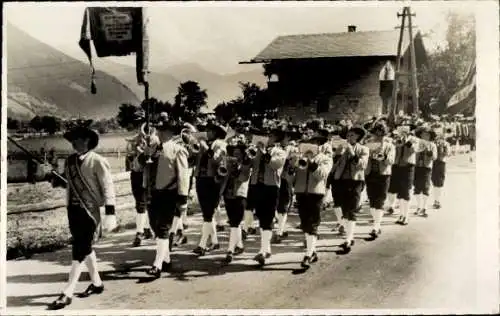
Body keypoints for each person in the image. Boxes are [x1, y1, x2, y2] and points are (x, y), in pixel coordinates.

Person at [48, 125, 116, 310]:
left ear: (87, 140)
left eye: (77, 139)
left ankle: (68, 292)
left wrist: (110, 212)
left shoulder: (97, 161)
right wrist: (53, 176)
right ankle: (97, 283)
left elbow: (108, 186)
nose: (73, 143)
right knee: (85, 248)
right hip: (73, 211)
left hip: (90, 212)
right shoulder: (69, 161)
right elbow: (66, 183)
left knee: (79, 249)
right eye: (72, 140)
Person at [142, 117, 195, 278]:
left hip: (168, 193)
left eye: (163, 130)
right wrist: (143, 155)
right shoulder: (152, 148)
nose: (159, 132)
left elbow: (183, 176)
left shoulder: (177, 150)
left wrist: (183, 198)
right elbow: (140, 167)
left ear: (170, 133)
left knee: (163, 227)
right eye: (159, 130)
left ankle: (157, 265)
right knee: (154, 226)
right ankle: (166, 259)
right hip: (152, 193)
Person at [292, 133, 332, 268]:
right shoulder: (300, 158)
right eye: (310, 143)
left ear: (319, 146)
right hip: (301, 192)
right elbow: (292, 178)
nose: (312, 146)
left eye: (315, 143)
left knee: (312, 223)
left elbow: (322, 175)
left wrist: (312, 162)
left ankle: (308, 254)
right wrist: (292, 166)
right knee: (304, 223)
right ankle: (312, 251)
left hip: (316, 193)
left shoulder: (326, 159)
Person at [250, 127, 287, 266]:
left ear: (276, 139)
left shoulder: (280, 152)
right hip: (256, 185)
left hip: (271, 187)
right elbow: (250, 164)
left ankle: (263, 250)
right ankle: (266, 248)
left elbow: (275, 165)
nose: (267, 138)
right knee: (260, 216)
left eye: (270, 136)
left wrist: (263, 152)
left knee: (268, 216)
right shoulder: (258, 150)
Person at [192, 121, 228, 256]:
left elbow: (217, 159)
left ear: (216, 132)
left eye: (209, 130)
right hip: (201, 178)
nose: (207, 132)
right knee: (207, 213)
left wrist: (205, 147)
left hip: (213, 181)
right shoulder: (204, 144)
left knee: (208, 212)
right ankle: (215, 242)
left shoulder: (220, 144)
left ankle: (202, 244)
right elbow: (193, 161)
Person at [332, 126, 369, 252]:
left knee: (351, 209)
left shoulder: (364, 149)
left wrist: (352, 153)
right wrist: (337, 155)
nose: (349, 138)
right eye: (347, 136)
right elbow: (333, 166)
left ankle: (348, 239)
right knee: (343, 208)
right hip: (341, 181)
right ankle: (348, 235)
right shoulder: (341, 148)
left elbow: (362, 165)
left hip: (355, 182)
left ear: (358, 137)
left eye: (352, 135)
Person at [220, 135, 253, 263]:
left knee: (235, 222)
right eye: (234, 153)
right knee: (234, 222)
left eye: (238, 153)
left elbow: (243, 178)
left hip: (240, 194)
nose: (236, 155)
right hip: (228, 194)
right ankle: (239, 245)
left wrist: (236, 168)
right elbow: (223, 176)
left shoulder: (246, 164)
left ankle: (230, 250)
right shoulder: (229, 162)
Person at [365, 121, 395, 239]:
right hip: (370, 174)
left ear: (384, 134)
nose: (378, 137)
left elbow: (390, 161)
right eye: (376, 134)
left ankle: (376, 226)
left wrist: (383, 156)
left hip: (383, 175)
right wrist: (370, 153)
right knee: (372, 199)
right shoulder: (368, 144)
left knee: (380, 200)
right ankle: (376, 223)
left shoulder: (389, 146)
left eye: (381, 134)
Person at [431, 123, 451, 209]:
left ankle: (437, 200)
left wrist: (442, 146)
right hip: (431, 163)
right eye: (436, 132)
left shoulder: (445, 143)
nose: (437, 134)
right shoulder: (431, 142)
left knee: (438, 183)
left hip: (441, 163)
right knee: (431, 182)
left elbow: (447, 154)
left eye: (439, 132)